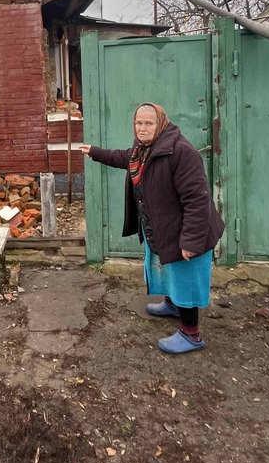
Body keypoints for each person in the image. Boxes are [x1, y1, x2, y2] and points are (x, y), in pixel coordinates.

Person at [81, 102, 224, 355]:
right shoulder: (144, 149)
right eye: (138, 123)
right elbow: (123, 157)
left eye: (149, 123)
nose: (142, 128)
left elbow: (197, 200)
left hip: (186, 231)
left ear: (161, 123)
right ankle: (173, 304)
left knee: (185, 278)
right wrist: (94, 151)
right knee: (166, 268)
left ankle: (191, 335)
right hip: (162, 227)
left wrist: (190, 241)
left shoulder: (181, 152)